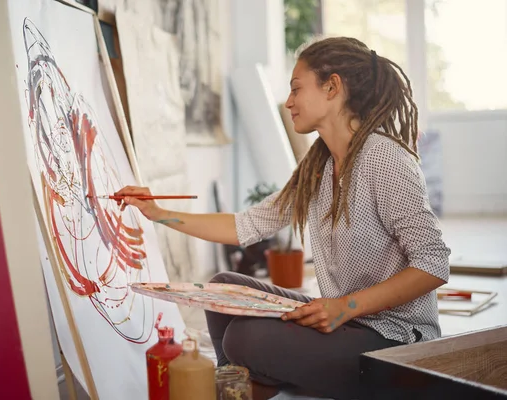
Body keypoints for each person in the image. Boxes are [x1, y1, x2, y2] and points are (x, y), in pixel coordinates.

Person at [116, 37, 451, 400]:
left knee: (244, 337)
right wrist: (159, 214)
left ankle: (255, 382)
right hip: (346, 325)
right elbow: (244, 225)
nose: (288, 102)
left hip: (393, 343)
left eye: (296, 89)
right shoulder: (320, 165)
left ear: (332, 87)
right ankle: (249, 386)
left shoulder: (383, 157)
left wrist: (345, 306)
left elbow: (433, 263)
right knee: (220, 288)